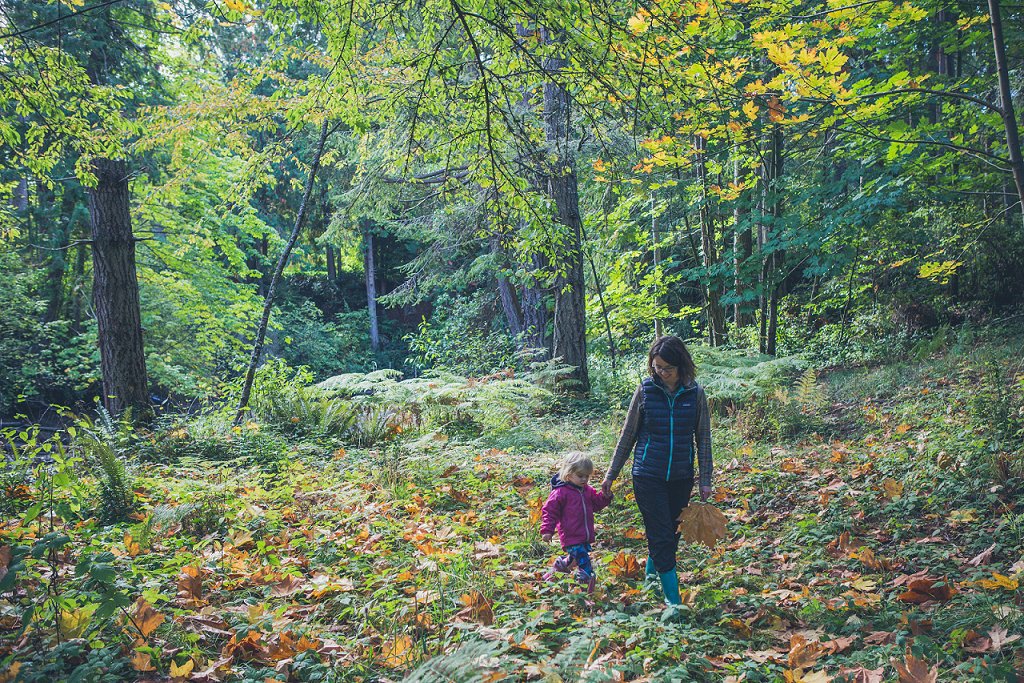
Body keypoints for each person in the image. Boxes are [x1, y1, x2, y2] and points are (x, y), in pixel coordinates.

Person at [600, 335, 712, 605]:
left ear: (681, 367)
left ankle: (651, 577)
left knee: (670, 533)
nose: (661, 373)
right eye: (657, 367)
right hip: (647, 474)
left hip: (680, 476)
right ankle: (673, 603)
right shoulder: (645, 391)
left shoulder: (695, 394)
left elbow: (704, 437)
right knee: (661, 535)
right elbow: (627, 436)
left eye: (667, 369)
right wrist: (610, 476)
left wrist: (705, 479)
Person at [540, 452, 613, 593]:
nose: (585, 479)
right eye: (580, 476)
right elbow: (550, 511)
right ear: (568, 474)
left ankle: (553, 574)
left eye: (587, 476)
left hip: (584, 536)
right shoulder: (561, 492)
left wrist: (605, 497)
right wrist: (547, 530)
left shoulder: (586, 490)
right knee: (584, 563)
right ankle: (586, 591)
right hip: (571, 536)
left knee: (572, 560)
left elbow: (595, 505)